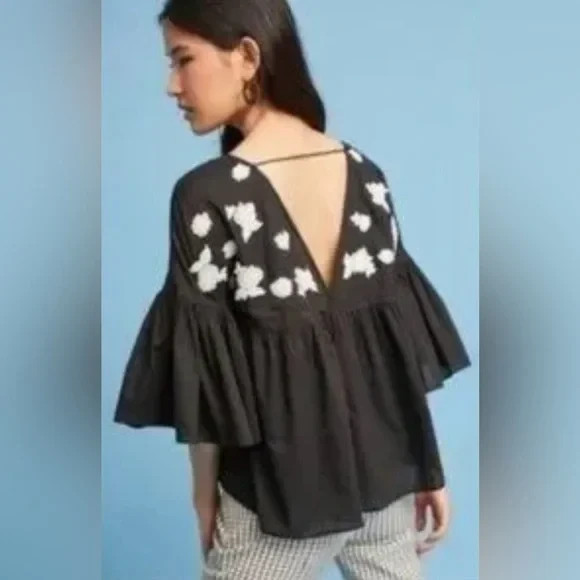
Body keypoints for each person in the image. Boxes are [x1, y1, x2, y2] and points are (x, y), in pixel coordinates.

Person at [113, 1, 472, 578]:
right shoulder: (365, 174)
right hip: (386, 477)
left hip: (276, 496)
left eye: (183, 60)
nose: (171, 85)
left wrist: (205, 498)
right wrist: (428, 468)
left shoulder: (207, 195)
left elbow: (207, 374)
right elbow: (396, 343)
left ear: (246, 56)